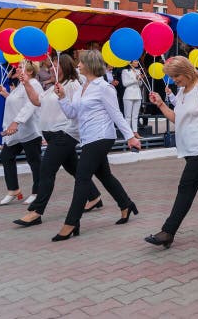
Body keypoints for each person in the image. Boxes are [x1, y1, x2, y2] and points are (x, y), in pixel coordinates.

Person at [52, 50, 141, 241]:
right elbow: (72, 114)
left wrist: (130, 137)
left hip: (101, 137)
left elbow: (116, 114)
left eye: (81, 62)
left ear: (90, 64)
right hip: (87, 138)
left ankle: (71, 222)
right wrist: (62, 98)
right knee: (105, 175)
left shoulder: (104, 88)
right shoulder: (82, 87)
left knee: (82, 178)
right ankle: (126, 204)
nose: (78, 65)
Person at [144, 56, 198, 249]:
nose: (175, 80)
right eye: (172, 77)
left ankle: (168, 231)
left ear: (187, 71)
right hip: (188, 148)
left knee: (186, 187)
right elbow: (177, 118)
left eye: (176, 76)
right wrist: (160, 104)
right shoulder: (182, 92)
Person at [13, 55, 102, 226]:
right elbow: (37, 101)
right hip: (52, 135)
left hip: (64, 134)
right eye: (51, 65)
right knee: (74, 168)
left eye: (55, 65)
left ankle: (36, 211)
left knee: (46, 171)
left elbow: (80, 109)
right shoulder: (51, 87)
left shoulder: (73, 85)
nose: (50, 68)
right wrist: (26, 84)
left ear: (65, 67)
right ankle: (94, 196)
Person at [0, 61, 43, 205]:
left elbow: (31, 104)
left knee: (34, 161)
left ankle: (38, 191)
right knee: (6, 156)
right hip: (16, 131)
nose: (16, 68)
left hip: (29, 129)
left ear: (29, 72)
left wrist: (16, 121)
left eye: (20, 67)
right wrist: (6, 94)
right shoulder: (19, 85)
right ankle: (13, 190)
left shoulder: (34, 83)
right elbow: (17, 102)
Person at [121, 61, 144, 134]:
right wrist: (135, 79)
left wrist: (140, 79)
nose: (137, 62)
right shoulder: (125, 71)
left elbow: (140, 84)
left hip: (137, 94)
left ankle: (135, 132)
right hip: (128, 95)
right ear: (130, 63)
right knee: (128, 116)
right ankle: (128, 134)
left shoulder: (138, 71)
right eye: (136, 61)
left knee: (135, 115)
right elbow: (125, 83)